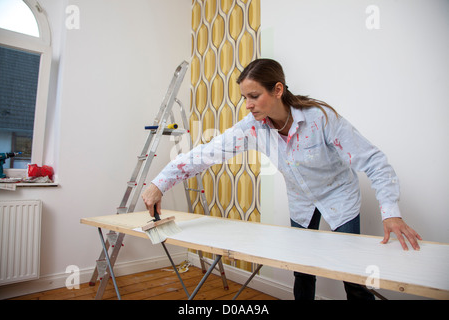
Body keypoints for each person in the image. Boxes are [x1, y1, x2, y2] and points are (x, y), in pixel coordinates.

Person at [141, 58, 422, 300]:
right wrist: (158, 184)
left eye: (254, 96)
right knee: (302, 268)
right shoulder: (252, 128)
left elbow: (373, 160)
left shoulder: (320, 118)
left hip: (340, 197)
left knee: (352, 273)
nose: (248, 105)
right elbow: (204, 154)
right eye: (244, 98)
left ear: (277, 90)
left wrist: (391, 213)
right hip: (301, 201)